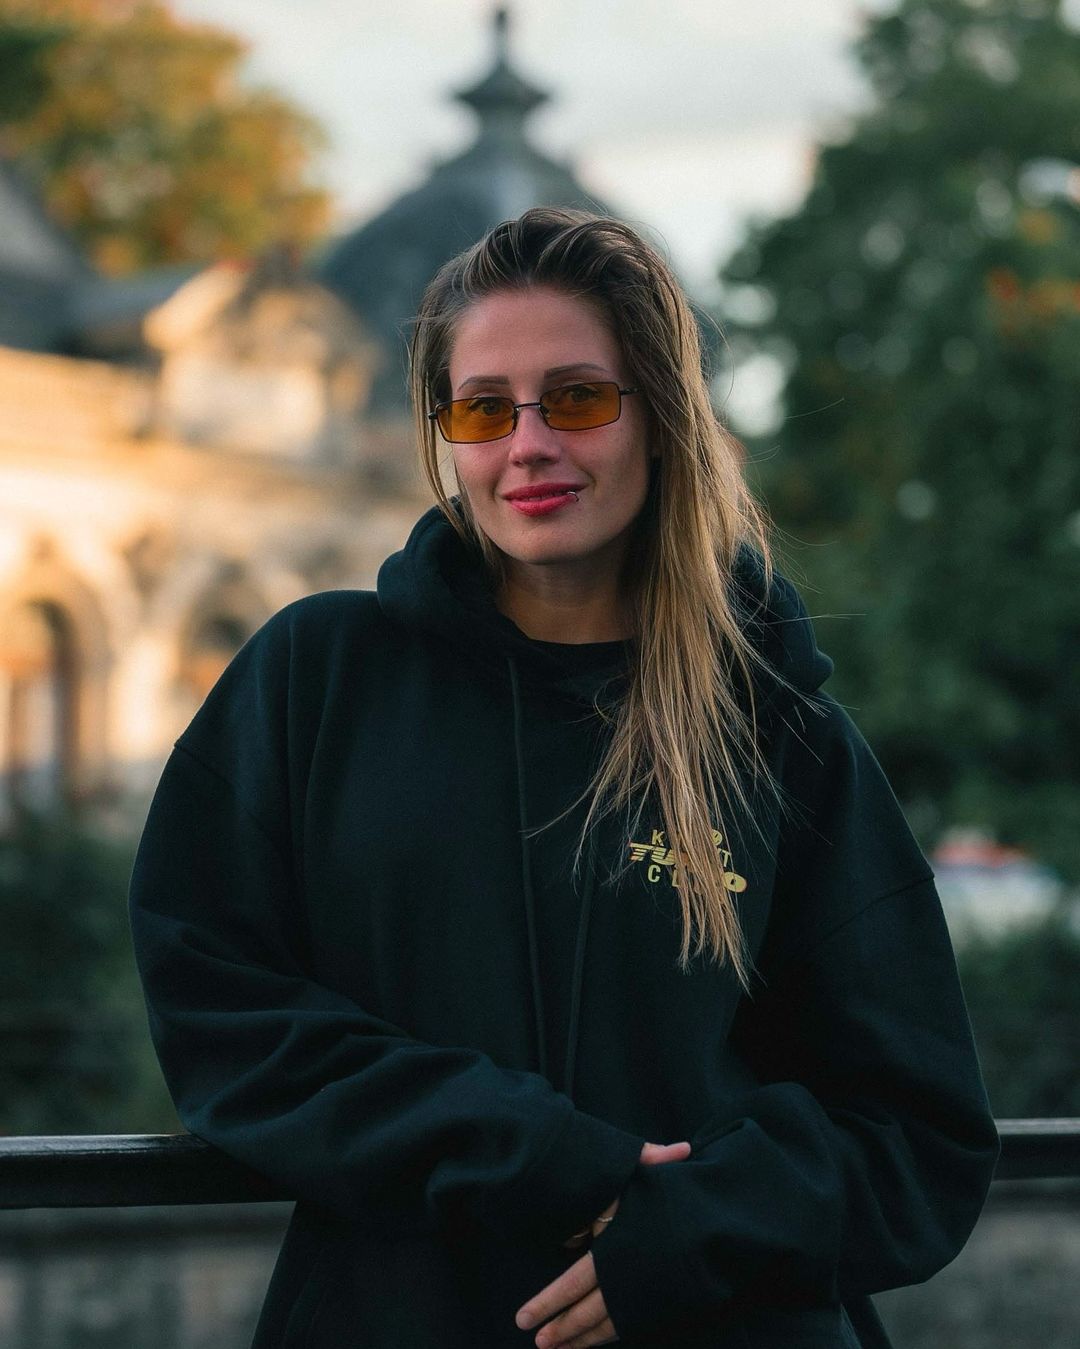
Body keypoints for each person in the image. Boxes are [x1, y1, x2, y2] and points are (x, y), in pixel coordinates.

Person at [128, 207, 999, 1349]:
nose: (528, 443)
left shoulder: (781, 737)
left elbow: (917, 1134)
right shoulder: (318, 680)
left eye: (577, 398)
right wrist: (526, 1152)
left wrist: (696, 1232)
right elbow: (219, 1009)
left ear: (662, 419)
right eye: (484, 407)